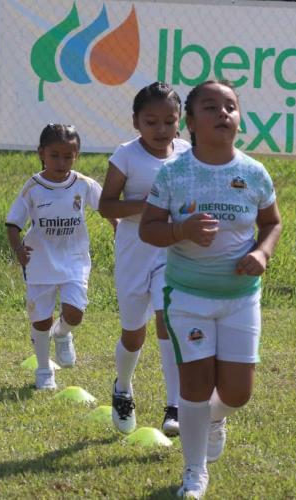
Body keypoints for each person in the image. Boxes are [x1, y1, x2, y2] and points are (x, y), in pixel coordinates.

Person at [140, 80, 282, 499]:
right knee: (196, 387)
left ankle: (214, 419)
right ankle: (194, 472)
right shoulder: (174, 173)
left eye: (231, 106)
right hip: (187, 300)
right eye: (211, 106)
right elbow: (148, 229)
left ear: (239, 119)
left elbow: (272, 223)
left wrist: (263, 254)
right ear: (191, 123)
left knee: (238, 393)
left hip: (240, 298)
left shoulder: (253, 172)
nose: (223, 113)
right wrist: (179, 230)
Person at [99, 82, 191, 436]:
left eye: (169, 121)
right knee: (133, 333)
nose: (161, 130)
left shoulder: (186, 154)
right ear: (136, 122)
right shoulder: (126, 155)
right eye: (151, 122)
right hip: (134, 251)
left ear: (179, 121)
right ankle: (123, 386)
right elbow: (107, 205)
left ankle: (175, 405)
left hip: (172, 251)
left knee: (167, 317)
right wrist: (147, 207)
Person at [6, 124, 116, 390]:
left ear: (76, 156)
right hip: (39, 261)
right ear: (42, 153)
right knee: (40, 319)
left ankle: (63, 333)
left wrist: (118, 226)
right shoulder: (33, 187)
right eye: (55, 155)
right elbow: (12, 224)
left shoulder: (83, 184)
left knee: (75, 313)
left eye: (68, 156)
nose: (61, 161)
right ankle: (44, 370)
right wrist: (18, 250)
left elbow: (108, 206)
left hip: (74, 259)